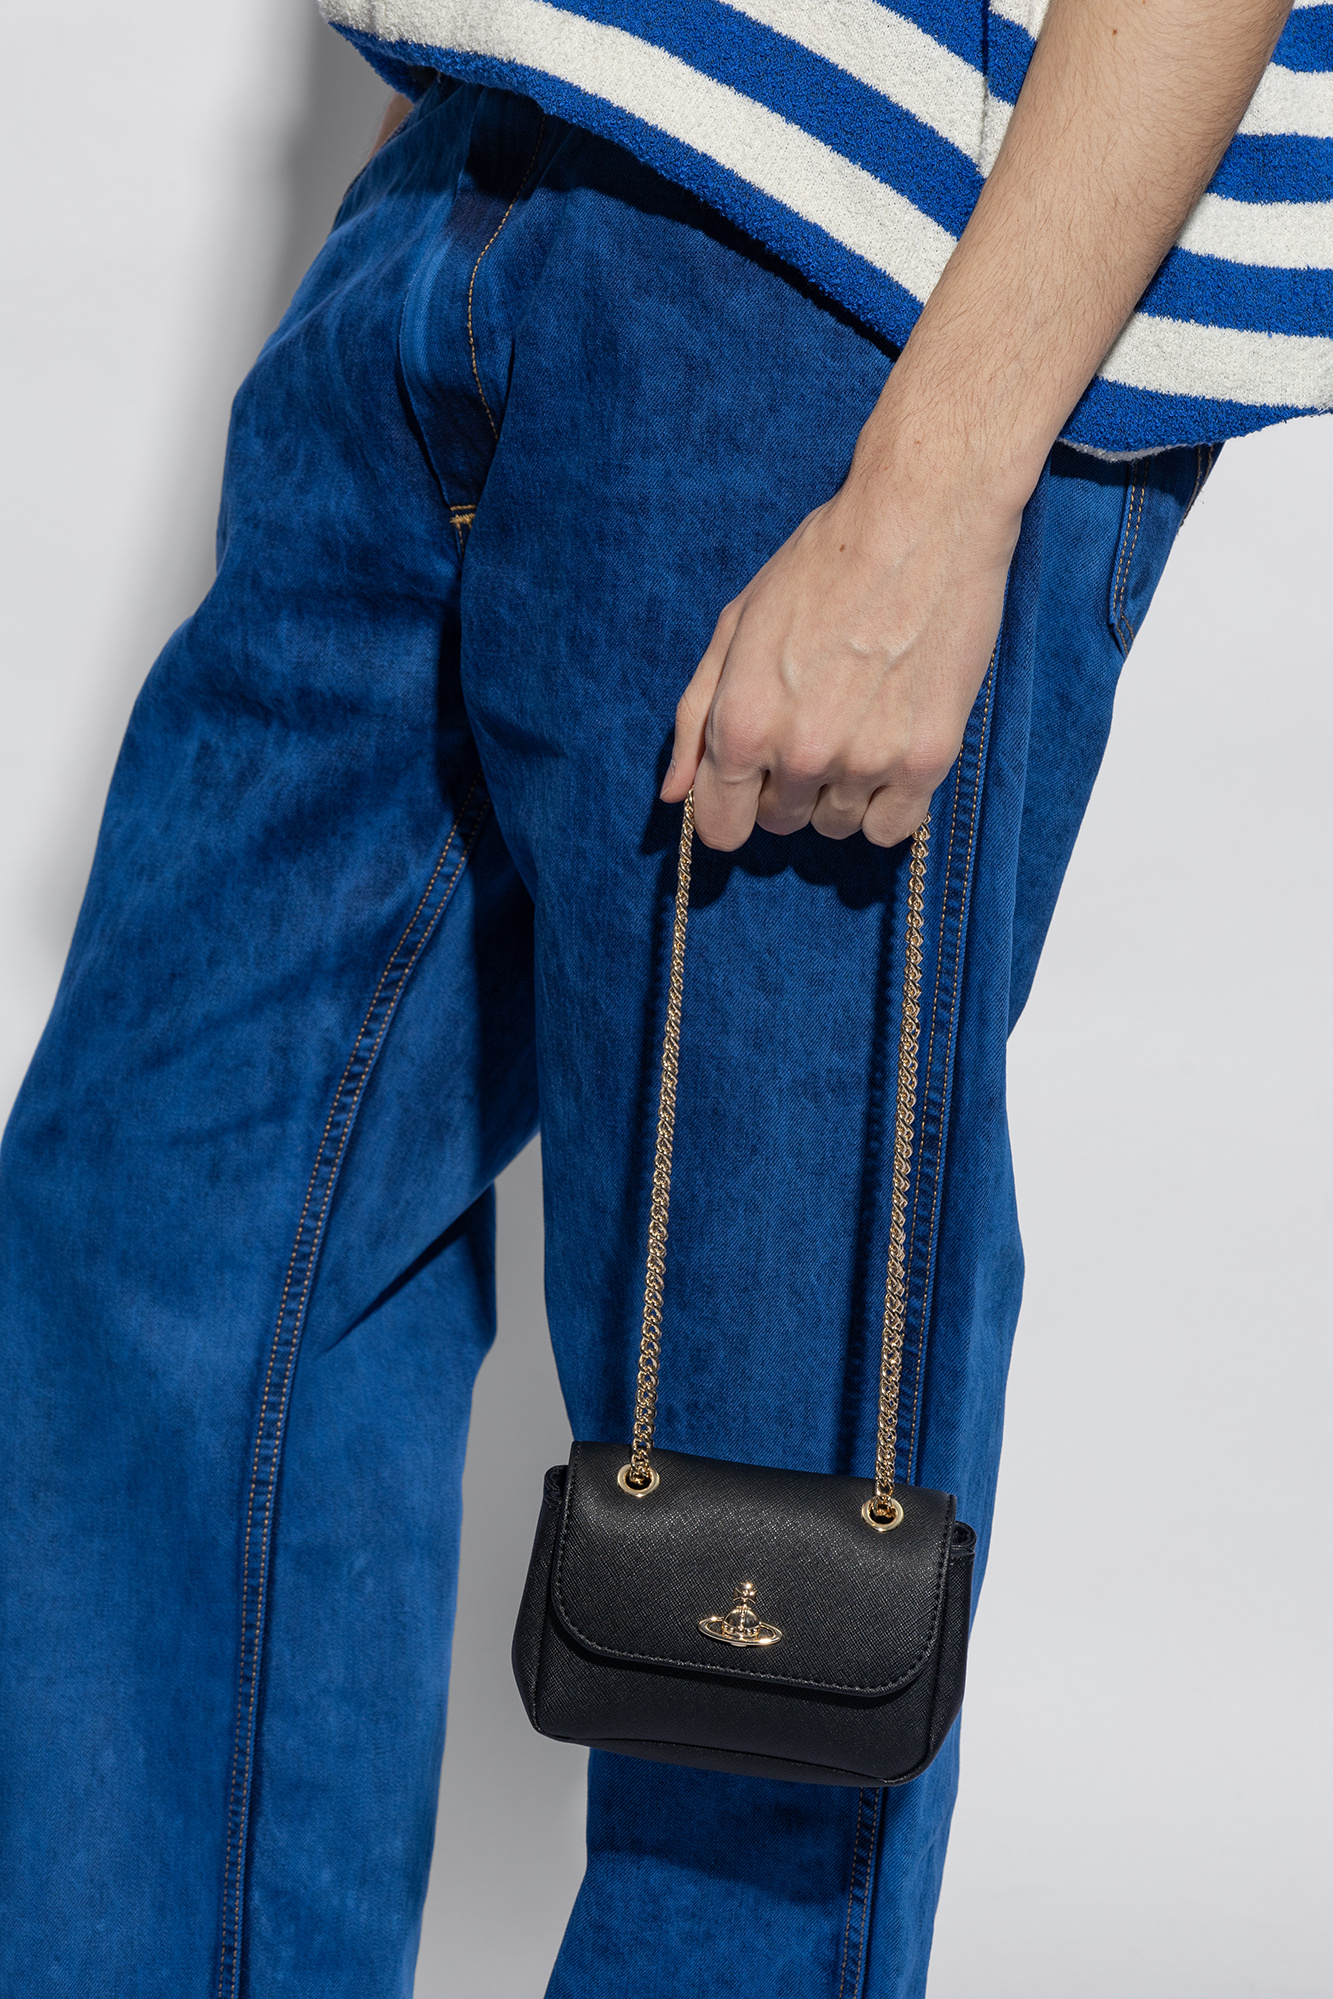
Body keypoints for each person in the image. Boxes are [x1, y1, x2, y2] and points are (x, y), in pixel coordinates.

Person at [1, 1, 1327, 1994]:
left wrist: (938, 486)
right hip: (468, 180)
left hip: (839, 287)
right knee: (153, 1254)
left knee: (757, 1529)